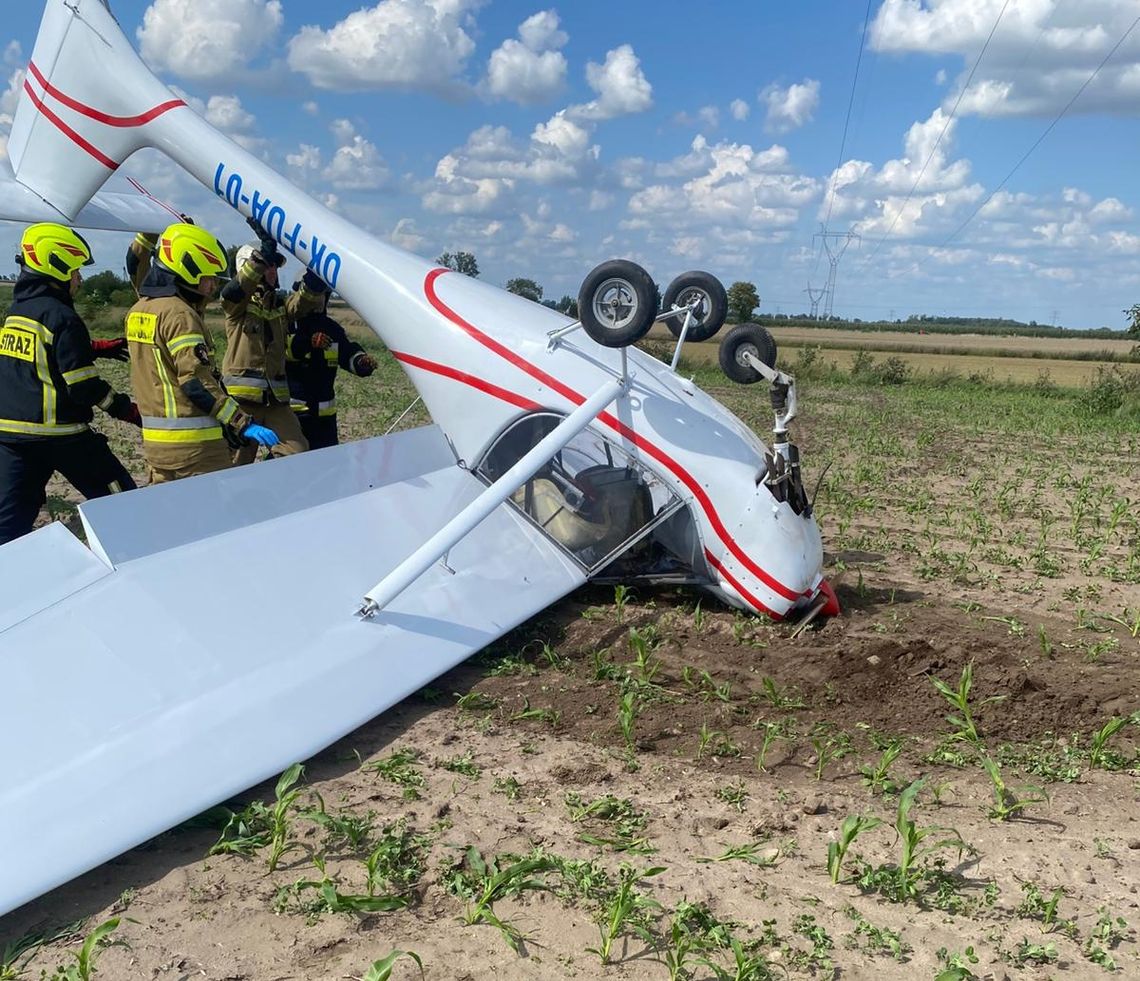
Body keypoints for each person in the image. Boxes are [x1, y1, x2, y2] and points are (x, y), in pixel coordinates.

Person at [0, 222, 140, 546]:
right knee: (122, 500)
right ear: (57, 268)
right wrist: (127, 411)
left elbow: (41, 355)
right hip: (62, 434)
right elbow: (84, 387)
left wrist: (92, 348)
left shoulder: (17, 311)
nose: (79, 279)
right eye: (75, 270)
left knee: (9, 527)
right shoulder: (63, 316)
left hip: (12, 436)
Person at [127, 221, 279, 483]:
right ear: (188, 271)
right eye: (208, 278)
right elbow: (195, 381)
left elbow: (133, 262)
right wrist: (241, 421)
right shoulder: (179, 314)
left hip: (156, 447)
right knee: (219, 507)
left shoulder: (140, 309)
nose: (213, 286)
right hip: (196, 449)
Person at [221, 217, 316, 464]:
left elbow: (301, 304)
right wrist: (262, 254)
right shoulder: (237, 306)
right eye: (269, 266)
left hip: (275, 402)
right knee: (235, 464)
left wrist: (314, 279)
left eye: (275, 266)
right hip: (242, 402)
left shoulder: (279, 305)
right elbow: (234, 292)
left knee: (296, 451)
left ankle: (267, 479)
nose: (274, 271)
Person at [285, 270, 378, 449]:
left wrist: (360, 362)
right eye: (315, 294)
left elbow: (346, 353)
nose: (319, 300)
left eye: (323, 294)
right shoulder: (288, 324)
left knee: (330, 462)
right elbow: (285, 350)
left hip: (325, 418)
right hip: (295, 415)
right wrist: (308, 343)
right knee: (291, 459)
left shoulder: (332, 329)